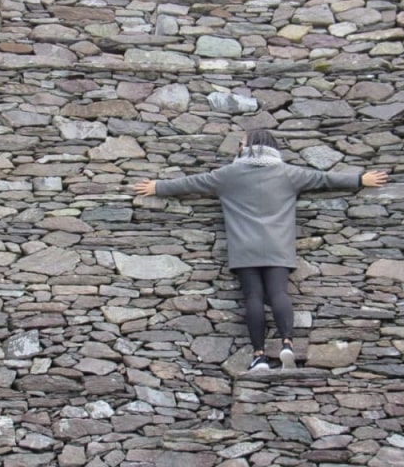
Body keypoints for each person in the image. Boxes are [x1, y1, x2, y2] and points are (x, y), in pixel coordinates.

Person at [133, 130, 388, 372]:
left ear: (250, 146)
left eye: (242, 143)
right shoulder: (288, 173)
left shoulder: (229, 174)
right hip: (278, 245)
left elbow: (193, 183)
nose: (239, 146)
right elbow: (324, 179)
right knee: (278, 292)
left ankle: (259, 356)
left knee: (253, 296)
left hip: (243, 247)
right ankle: (287, 343)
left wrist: (158, 187)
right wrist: (359, 179)